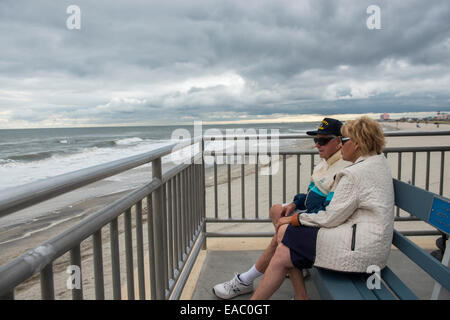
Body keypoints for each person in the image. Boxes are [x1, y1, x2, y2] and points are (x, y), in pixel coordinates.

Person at [250, 116, 395, 300]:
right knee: (284, 249)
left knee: (286, 234)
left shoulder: (354, 174)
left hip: (359, 250)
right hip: (370, 244)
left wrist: (295, 218)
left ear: (357, 144)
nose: (342, 145)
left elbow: (330, 217)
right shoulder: (376, 162)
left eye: (343, 141)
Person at [212, 118, 351, 299]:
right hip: (315, 216)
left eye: (323, 141)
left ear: (339, 142)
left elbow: (329, 211)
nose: (317, 145)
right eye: (315, 140)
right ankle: (294, 267)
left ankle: (246, 280)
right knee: (277, 210)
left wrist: (295, 219)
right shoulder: (325, 162)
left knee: (283, 238)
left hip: (326, 226)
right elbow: (311, 195)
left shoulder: (343, 167)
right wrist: (294, 204)